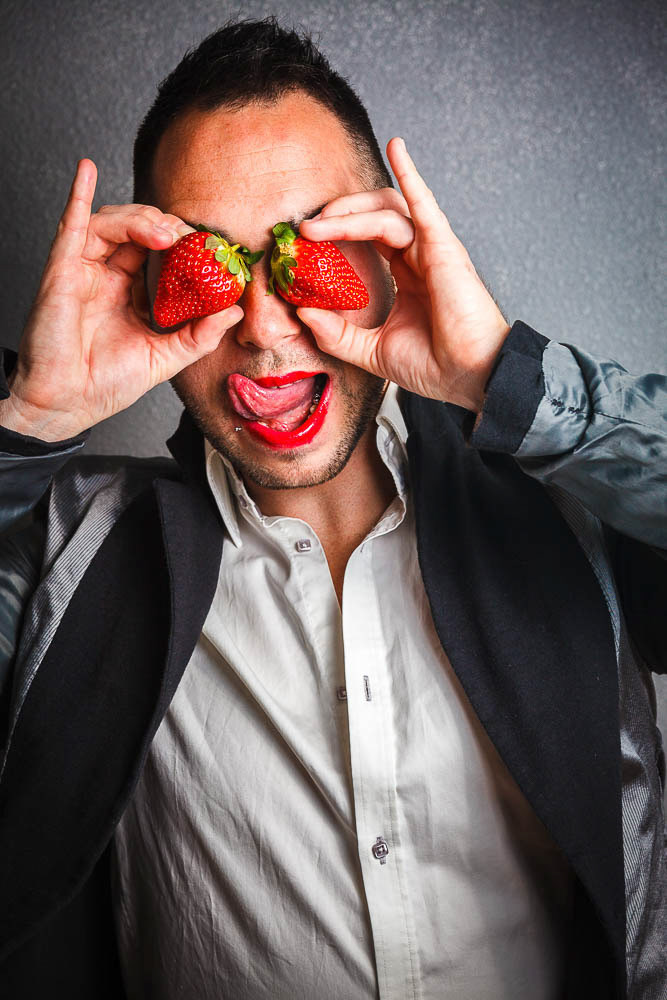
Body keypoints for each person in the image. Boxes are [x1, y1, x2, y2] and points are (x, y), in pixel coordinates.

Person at [0, 17, 664, 1000]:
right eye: (216, 267)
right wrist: (28, 419)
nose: (266, 333)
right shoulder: (67, 557)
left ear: (386, 250)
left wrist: (500, 377)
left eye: (301, 248)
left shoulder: (565, 517)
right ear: (153, 286)